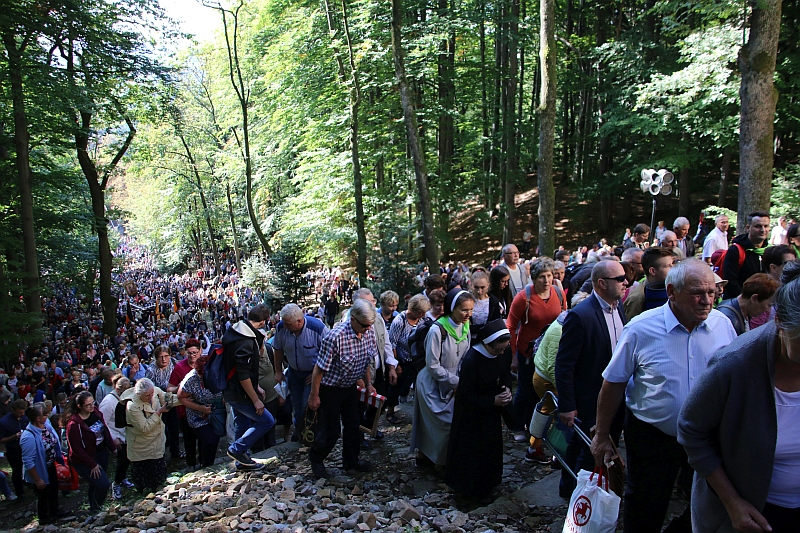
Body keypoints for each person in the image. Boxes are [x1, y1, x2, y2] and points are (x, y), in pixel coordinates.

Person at [591, 259, 738, 533]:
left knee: (707, 501)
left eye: (711, 292)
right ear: (671, 291)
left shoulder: (722, 325)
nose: (707, 300)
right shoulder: (640, 329)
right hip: (653, 436)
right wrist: (601, 435)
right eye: (697, 293)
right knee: (646, 503)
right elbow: (613, 383)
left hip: (707, 434)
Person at [677, 260, 800, 533]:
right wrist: (732, 501)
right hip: (754, 514)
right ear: (779, 321)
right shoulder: (735, 365)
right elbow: (691, 429)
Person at [552, 260, 628, 495]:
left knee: (608, 445)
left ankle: (598, 489)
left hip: (615, 396)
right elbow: (564, 365)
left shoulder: (619, 307)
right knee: (584, 449)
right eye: (620, 278)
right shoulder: (580, 316)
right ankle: (574, 495)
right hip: (588, 400)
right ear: (602, 283)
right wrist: (568, 405)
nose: (626, 282)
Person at [307, 299, 377, 478]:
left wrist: (368, 383)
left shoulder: (369, 332)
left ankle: (351, 462)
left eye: (370, 325)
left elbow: (366, 361)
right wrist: (314, 395)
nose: (368, 329)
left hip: (350, 387)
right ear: (353, 319)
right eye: (364, 325)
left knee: (354, 425)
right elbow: (319, 369)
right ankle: (316, 458)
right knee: (332, 430)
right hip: (330, 388)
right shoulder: (334, 337)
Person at [445, 319, 512, 499]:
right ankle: (469, 491)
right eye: (497, 350)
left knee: (491, 450)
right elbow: (465, 397)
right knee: (472, 455)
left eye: (503, 349)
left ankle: (490, 483)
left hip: (491, 412)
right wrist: (492, 401)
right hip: (471, 416)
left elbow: (505, 374)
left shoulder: (503, 351)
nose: (501, 353)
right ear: (486, 344)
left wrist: (506, 391)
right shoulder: (472, 360)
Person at [410, 288, 475, 467]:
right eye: (464, 310)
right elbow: (432, 365)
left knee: (452, 423)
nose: (468, 314)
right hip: (432, 383)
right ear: (452, 308)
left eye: (470, 309)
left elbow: (465, 357)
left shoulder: (466, 327)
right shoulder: (437, 330)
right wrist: (456, 382)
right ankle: (430, 458)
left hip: (453, 382)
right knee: (438, 425)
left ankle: (443, 459)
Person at [507, 257, 566, 443]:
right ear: (534, 278)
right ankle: (518, 426)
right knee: (526, 390)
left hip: (551, 353)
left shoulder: (557, 292)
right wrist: (514, 356)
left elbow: (565, 316)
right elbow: (511, 326)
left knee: (547, 390)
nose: (546, 280)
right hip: (528, 352)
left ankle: (538, 427)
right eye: (542, 276)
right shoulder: (523, 297)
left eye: (549, 275)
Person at [222, 304, 275, 470]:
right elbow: (243, 374)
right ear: (262, 322)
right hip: (240, 393)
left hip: (232, 389)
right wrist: (255, 400)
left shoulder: (237, 330)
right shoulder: (246, 341)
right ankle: (237, 450)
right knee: (267, 420)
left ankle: (242, 461)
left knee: (243, 423)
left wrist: (256, 386)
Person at [273, 303, 328, 442]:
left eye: (288, 324)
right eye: (284, 323)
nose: (285, 326)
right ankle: (300, 431)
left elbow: (329, 354)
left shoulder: (318, 328)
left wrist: (318, 374)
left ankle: (310, 432)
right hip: (293, 373)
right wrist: (278, 371)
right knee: (296, 404)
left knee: (307, 403)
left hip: (312, 374)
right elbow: (278, 349)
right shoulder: (281, 328)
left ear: (299, 321)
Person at [124, 378, 179, 492]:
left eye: (152, 393)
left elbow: (168, 399)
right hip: (140, 446)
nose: (151, 397)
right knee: (142, 476)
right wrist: (159, 412)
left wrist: (183, 398)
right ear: (139, 394)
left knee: (158, 476)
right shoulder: (132, 405)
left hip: (157, 442)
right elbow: (145, 427)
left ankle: (158, 492)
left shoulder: (155, 391)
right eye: (147, 395)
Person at [66, 390, 117, 513]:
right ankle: (97, 508)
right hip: (85, 458)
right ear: (79, 406)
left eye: (93, 403)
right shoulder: (74, 424)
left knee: (96, 484)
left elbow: (104, 429)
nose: (92, 406)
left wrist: (112, 447)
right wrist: (92, 464)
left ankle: (94, 508)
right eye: (88, 405)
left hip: (100, 452)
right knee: (103, 484)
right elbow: (76, 449)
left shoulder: (96, 413)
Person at [386, 294, 432, 423]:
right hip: (403, 359)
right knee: (396, 386)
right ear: (413, 309)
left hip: (417, 360)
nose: (423, 315)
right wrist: (396, 365)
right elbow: (392, 344)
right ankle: (390, 411)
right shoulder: (399, 321)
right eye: (420, 312)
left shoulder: (423, 319)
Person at [20, 404, 64, 523]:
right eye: (44, 415)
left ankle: (55, 511)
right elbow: (28, 461)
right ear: (37, 418)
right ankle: (44, 518)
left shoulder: (46, 425)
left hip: (50, 465)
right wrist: (37, 479)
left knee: (54, 488)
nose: (47, 416)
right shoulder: (28, 436)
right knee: (43, 494)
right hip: (39, 470)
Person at [177, 356, 223, 468]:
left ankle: (207, 463)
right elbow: (180, 397)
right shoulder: (191, 379)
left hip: (217, 413)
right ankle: (205, 466)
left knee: (215, 438)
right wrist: (199, 407)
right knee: (209, 439)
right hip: (197, 416)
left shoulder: (218, 373)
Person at [98, 375, 133, 500]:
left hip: (126, 434)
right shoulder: (108, 402)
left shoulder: (124, 399)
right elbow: (102, 422)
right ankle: (116, 484)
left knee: (128, 459)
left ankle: (123, 478)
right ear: (119, 389)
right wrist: (113, 438)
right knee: (122, 460)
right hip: (117, 437)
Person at [168, 338, 201, 465]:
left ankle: (206, 463)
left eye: (195, 353)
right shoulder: (179, 367)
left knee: (205, 439)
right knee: (189, 441)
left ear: (200, 351)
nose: (192, 356)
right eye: (189, 353)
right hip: (185, 410)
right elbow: (169, 388)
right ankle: (191, 465)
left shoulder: (205, 363)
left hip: (203, 408)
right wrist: (179, 388)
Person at [723, 211, 770, 299]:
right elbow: (730, 282)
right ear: (748, 228)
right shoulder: (736, 250)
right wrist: (747, 301)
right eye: (758, 226)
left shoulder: (769, 250)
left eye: (766, 226)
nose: (763, 230)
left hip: (763, 304)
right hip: (738, 304)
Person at [146, 345, 180, 461]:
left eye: (166, 356)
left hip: (172, 399)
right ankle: (160, 455)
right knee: (161, 430)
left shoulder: (174, 363)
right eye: (161, 357)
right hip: (157, 403)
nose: (164, 359)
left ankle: (175, 451)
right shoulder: (151, 370)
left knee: (174, 426)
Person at [623, 247, 675, 320]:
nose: (673, 268)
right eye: (668, 266)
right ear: (653, 271)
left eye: (673, 264)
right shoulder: (638, 298)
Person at [0, 399, 28, 499]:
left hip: (26, 447)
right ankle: (19, 492)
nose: (22, 414)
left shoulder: (25, 418)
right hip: (13, 449)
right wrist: (13, 437)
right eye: (20, 412)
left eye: (23, 412)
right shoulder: (4, 422)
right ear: (13, 410)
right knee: (17, 470)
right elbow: (1, 439)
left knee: (28, 466)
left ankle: (29, 483)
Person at [469, 270, 502, 343]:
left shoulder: (493, 302)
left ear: (488, 285)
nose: (479, 291)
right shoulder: (466, 300)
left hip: (488, 340)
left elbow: (495, 324)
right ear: (471, 285)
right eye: (476, 287)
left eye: (482, 287)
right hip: (469, 340)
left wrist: (477, 328)